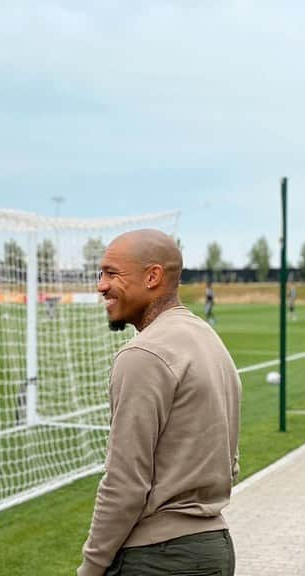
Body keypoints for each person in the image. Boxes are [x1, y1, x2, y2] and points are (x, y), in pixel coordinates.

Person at [77, 229, 242, 576]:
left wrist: (91, 567)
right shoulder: (209, 339)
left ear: (152, 277)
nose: (101, 286)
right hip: (215, 548)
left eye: (112, 273)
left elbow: (125, 483)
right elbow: (232, 463)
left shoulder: (142, 354)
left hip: (158, 558)